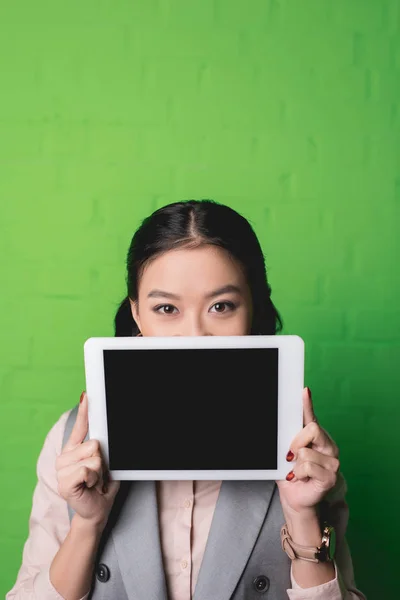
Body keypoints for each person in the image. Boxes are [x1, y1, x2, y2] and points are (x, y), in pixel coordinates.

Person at [7, 199, 365, 600]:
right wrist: (88, 523)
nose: (194, 335)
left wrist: (302, 517)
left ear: (254, 312)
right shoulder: (74, 441)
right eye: (166, 308)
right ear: (137, 316)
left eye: (221, 306)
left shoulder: (303, 454)